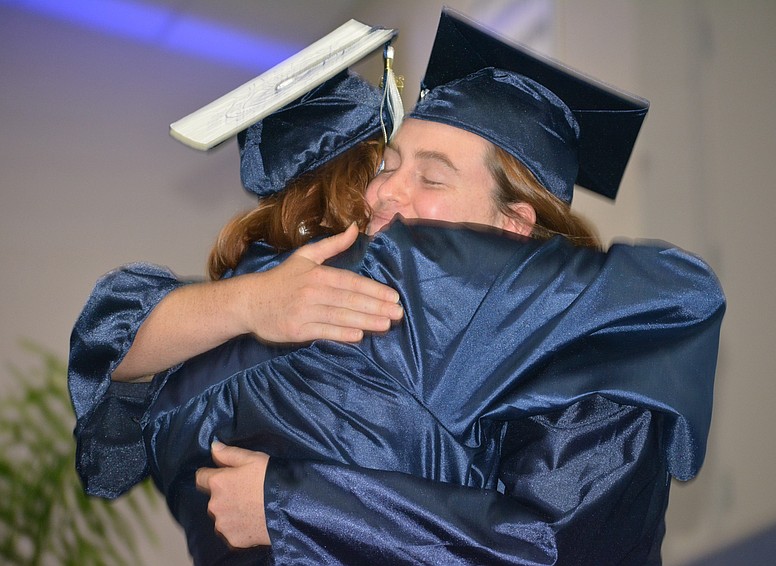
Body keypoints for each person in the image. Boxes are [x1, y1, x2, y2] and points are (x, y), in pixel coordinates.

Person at [70, 9, 725, 565]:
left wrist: (293, 504)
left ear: (515, 225)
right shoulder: (320, 305)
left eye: (431, 179)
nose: (384, 193)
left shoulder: (596, 351)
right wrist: (254, 302)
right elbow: (116, 350)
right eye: (387, 166)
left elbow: (562, 546)